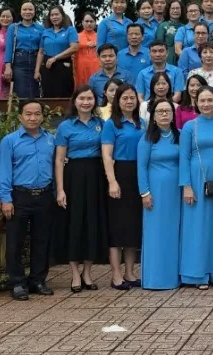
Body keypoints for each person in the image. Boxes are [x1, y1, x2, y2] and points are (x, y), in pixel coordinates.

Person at [0, 98, 57, 301]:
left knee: (42, 240)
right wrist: (6, 199)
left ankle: (38, 280)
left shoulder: (50, 139)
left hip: (45, 195)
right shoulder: (10, 141)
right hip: (19, 195)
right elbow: (4, 171)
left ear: (42, 116)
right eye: (28, 114)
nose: (33, 118)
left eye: (37, 114)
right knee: (15, 242)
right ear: (20, 116)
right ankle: (17, 282)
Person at [178, 87, 213, 288]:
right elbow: (184, 156)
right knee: (197, 226)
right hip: (196, 178)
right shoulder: (189, 126)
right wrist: (186, 186)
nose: (206, 104)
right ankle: (197, 274)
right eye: (202, 100)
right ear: (196, 102)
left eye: (210, 100)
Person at [55, 86, 108, 293]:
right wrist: (60, 189)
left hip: (95, 176)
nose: (86, 102)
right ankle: (75, 273)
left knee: (92, 223)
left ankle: (87, 272)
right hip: (73, 177)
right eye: (82, 98)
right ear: (75, 101)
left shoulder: (101, 124)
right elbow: (59, 160)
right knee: (74, 223)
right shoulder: (65, 127)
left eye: (90, 98)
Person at [137, 99, 182, 290]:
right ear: (153, 116)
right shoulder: (147, 139)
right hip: (155, 191)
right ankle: (155, 278)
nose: (164, 114)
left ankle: (174, 277)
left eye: (168, 111)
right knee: (156, 233)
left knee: (174, 232)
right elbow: (141, 166)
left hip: (176, 191)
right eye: (160, 111)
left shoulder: (179, 135)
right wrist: (144, 192)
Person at [102, 84, 144, 290]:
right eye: (125, 98)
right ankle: (116, 274)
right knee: (117, 227)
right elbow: (107, 155)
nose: (129, 101)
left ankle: (129, 271)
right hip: (120, 174)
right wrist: (112, 181)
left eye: (132, 98)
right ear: (117, 101)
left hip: (139, 175)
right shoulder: (111, 125)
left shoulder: (142, 123)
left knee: (133, 227)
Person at [36, 5, 79, 98]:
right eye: (52, 15)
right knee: (47, 93)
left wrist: (55, 58)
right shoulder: (45, 32)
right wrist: (37, 71)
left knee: (64, 93)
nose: (54, 17)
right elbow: (41, 52)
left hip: (63, 65)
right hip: (47, 66)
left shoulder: (70, 30)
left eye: (57, 14)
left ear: (62, 16)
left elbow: (74, 47)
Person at [3, 1, 43, 98]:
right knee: (20, 92)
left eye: (30, 9)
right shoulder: (14, 27)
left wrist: (38, 69)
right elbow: (8, 48)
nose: (27, 12)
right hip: (19, 61)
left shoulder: (41, 28)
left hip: (35, 61)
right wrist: (7, 67)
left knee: (35, 92)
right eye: (25, 9)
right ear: (20, 12)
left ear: (34, 12)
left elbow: (41, 50)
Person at [154, 0, 184, 64]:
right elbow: (159, 44)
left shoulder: (184, 27)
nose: (175, 11)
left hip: (183, 58)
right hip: (168, 60)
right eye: (173, 8)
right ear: (168, 10)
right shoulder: (163, 26)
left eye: (178, 8)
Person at [75, 11, 100, 88]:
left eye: (91, 21)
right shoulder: (76, 36)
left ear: (95, 23)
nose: (89, 23)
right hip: (81, 67)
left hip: (96, 66)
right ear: (82, 22)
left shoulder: (99, 36)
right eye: (86, 21)